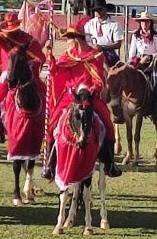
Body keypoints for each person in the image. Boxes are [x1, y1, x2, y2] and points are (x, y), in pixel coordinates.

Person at [43, 22, 121, 179]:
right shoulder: (68, 55)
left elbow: (98, 80)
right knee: (52, 124)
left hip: (90, 95)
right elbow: (56, 71)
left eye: (69, 39)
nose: (68, 42)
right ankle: (50, 165)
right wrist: (50, 56)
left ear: (77, 39)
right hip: (70, 96)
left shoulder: (96, 56)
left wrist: (91, 91)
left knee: (107, 122)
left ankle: (110, 163)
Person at [0, 12, 45, 140]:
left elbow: (40, 58)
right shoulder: (1, 37)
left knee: (44, 93)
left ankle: (46, 125)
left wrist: (31, 63)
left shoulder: (28, 40)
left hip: (25, 73)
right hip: (7, 73)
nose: (11, 33)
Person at [83, 0, 123, 67]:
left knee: (113, 62)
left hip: (108, 51)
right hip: (92, 51)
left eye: (100, 9)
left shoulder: (115, 24)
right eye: (95, 10)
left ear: (105, 10)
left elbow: (118, 44)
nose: (97, 12)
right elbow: (87, 41)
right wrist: (93, 46)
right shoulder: (89, 24)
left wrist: (102, 47)